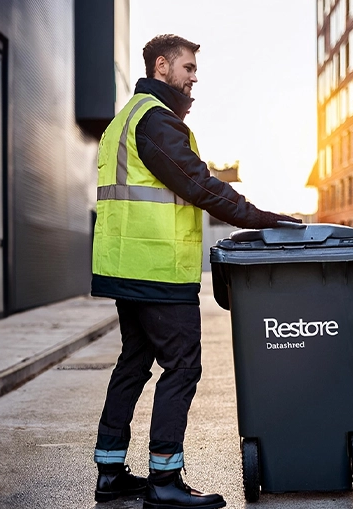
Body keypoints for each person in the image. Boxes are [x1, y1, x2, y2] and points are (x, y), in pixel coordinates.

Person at [91, 34, 301, 508]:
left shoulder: (124, 120)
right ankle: (164, 480)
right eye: (187, 68)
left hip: (129, 265)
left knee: (133, 365)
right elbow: (198, 185)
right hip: (158, 269)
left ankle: (109, 471)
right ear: (161, 66)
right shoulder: (155, 122)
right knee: (182, 367)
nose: (193, 78)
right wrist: (264, 218)